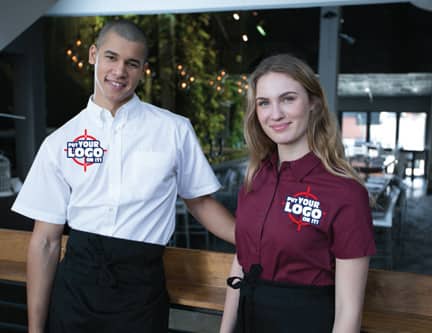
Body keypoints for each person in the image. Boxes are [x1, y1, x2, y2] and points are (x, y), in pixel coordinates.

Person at [11, 19, 234, 333]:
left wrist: (255, 239)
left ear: (142, 69)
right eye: (111, 57)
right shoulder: (60, 141)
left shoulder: (174, 130)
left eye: (132, 63)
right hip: (76, 287)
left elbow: (200, 202)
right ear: (93, 55)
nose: (119, 71)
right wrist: (35, 329)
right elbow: (45, 242)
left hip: (141, 291)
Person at [219, 54, 376, 333]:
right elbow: (240, 265)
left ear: (314, 103)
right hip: (249, 319)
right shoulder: (255, 180)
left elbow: (348, 311)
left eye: (288, 98)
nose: (275, 114)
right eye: (264, 103)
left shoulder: (346, 194)